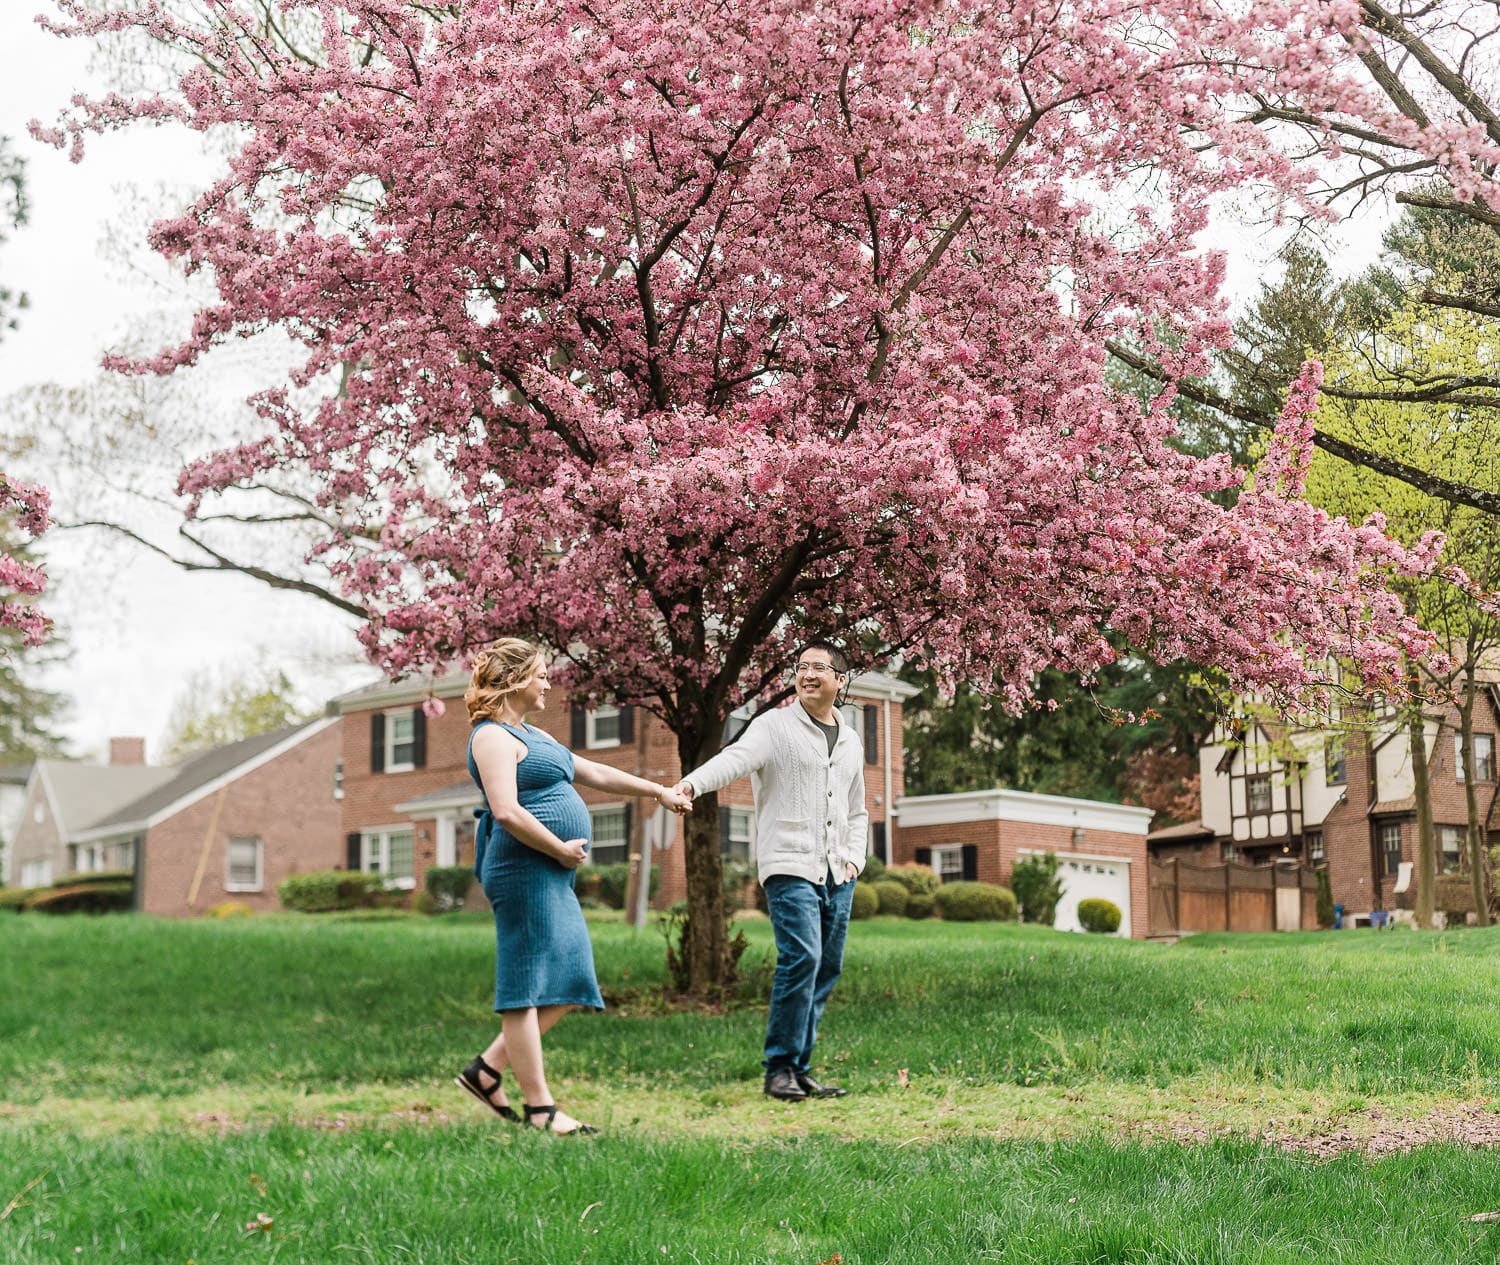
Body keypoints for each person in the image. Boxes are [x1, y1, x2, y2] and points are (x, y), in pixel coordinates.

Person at [454, 638, 691, 1135]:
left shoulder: (534, 735)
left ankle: (486, 1070)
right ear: (515, 679)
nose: (548, 682)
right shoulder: (491, 736)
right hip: (521, 869)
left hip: (550, 873)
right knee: (524, 987)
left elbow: (596, 771)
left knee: (570, 979)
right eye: (540, 674)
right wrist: (559, 849)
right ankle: (540, 1109)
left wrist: (658, 791)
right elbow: (506, 810)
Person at [676, 640, 868, 1101]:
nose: (807, 674)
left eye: (819, 668)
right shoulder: (774, 726)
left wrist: (855, 859)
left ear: (840, 681)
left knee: (826, 967)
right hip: (789, 863)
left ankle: (800, 1068)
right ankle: (779, 1067)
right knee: (802, 957)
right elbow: (732, 761)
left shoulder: (852, 739)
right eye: (801, 667)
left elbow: (858, 810)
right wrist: (690, 784)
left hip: (837, 870)